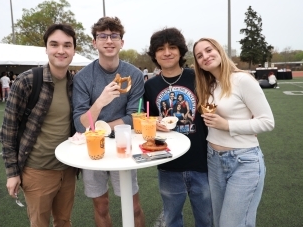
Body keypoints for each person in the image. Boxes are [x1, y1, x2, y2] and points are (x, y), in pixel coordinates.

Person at [0, 23, 78, 227]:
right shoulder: (27, 82)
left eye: (67, 45)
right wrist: (12, 173)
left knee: (63, 221)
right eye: (54, 44)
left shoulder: (76, 84)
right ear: (46, 49)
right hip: (37, 170)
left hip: (68, 169)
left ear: (74, 50)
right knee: (39, 224)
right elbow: (8, 131)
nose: (61, 50)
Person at [192, 37, 275, 227]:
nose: (205, 56)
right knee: (220, 222)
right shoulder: (209, 86)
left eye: (209, 50)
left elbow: (268, 122)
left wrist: (227, 125)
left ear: (219, 50)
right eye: (199, 55)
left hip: (243, 161)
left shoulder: (242, 80)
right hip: (214, 160)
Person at [73, 16, 145, 227]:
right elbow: (79, 124)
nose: (109, 40)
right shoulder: (83, 77)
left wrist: (102, 127)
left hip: (122, 145)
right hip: (91, 148)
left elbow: (134, 116)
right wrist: (101, 101)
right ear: (94, 43)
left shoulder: (134, 75)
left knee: (133, 206)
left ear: (122, 42)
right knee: (101, 206)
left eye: (114, 35)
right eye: (102, 36)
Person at [144, 27, 212, 226]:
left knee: (207, 218)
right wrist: (154, 122)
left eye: (172, 47)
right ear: (154, 54)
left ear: (181, 51)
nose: (167, 52)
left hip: (201, 162)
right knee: (172, 219)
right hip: (168, 163)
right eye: (161, 49)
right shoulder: (150, 86)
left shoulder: (198, 77)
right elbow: (147, 119)